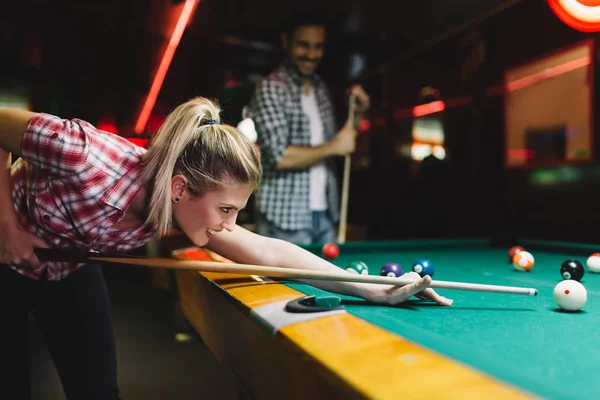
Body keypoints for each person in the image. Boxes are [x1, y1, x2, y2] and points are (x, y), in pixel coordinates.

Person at [0, 97, 452, 400]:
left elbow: (271, 252)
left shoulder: (188, 206)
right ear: (180, 188)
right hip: (5, 255)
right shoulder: (82, 153)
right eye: (228, 210)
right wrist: (8, 228)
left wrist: (372, 288)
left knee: (98, 391)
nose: (230, 226)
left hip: (69, 269)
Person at [249, 12, 370, 244]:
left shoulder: (320, 88)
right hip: (284, 219)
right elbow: (279, 156)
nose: (312, 54)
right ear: (286, 42)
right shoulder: (271, 89)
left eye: (318, 47)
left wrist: (358, 112)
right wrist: (334, 146)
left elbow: (340, 142)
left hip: (324, 214)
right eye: (304, 45)